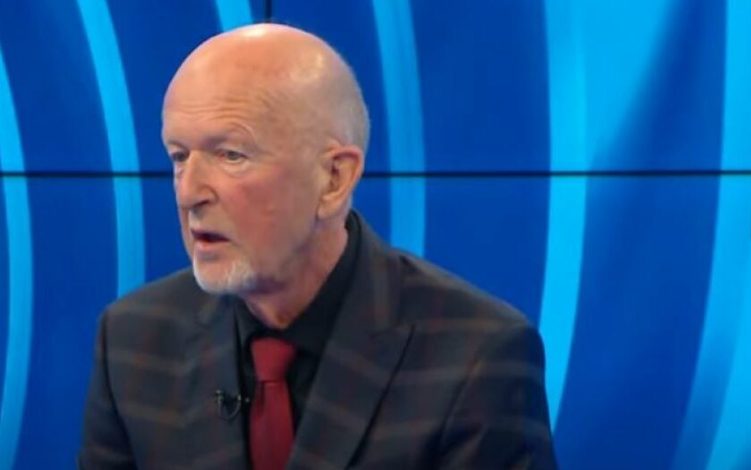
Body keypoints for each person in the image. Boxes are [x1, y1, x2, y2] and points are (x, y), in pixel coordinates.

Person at [79, 23, 557, 469]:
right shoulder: (132, 342)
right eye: (179, 156)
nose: (189, 193)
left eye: (231, 155)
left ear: (334, 178)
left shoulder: (476, 355)